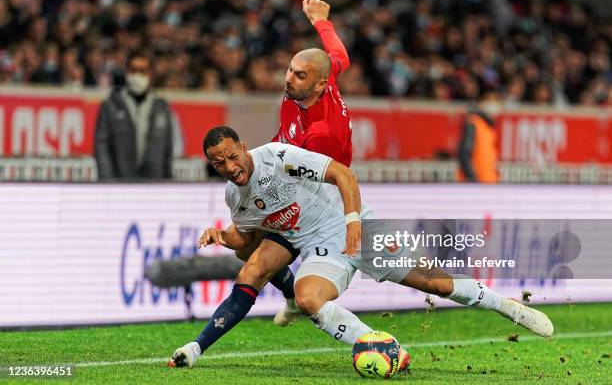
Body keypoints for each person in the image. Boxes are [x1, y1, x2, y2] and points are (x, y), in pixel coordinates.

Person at [169, 126, 554, 368]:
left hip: (358, 226)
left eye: (232, 155)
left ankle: (507, 307)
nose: (229, 165)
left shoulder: (279, 158)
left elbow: (342, 173)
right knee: (307, 299)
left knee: (435, 284)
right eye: (218, 162)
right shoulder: (234, 196)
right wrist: (222, 235)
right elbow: (247, 241)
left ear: (244, 146)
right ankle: (376, 344)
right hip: (321, 248)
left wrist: (354, 221)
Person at [201, 0, 355, 327]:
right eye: (290, 70)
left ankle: (297, 294)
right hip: (285, 169)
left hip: (311, 196)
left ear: (317, 84)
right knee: (244, 247)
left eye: (299, 75)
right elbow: (337, 56)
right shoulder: (315, 84)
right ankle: (289, 294)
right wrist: (321, 22)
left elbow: (303, 178)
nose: (288, 78)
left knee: (248, 249)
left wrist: (256, 180)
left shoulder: (320, 135)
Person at [94, 51, 183, 179]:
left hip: (154, 183)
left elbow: (168, 150)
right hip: (119, 182)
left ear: (151, 74)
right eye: (133, 70)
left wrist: (167, 181)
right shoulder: (111, 105)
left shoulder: (161, 107)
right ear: (126, 72)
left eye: (143, 71)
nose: (137, 75)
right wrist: (106, 179)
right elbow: (101, 146)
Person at [457, 92, 500, 183]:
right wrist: (472, 179)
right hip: (476, 184)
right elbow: (464, 154)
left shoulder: (487, 127)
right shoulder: (474, 122)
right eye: (489, 101)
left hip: (487, 182)